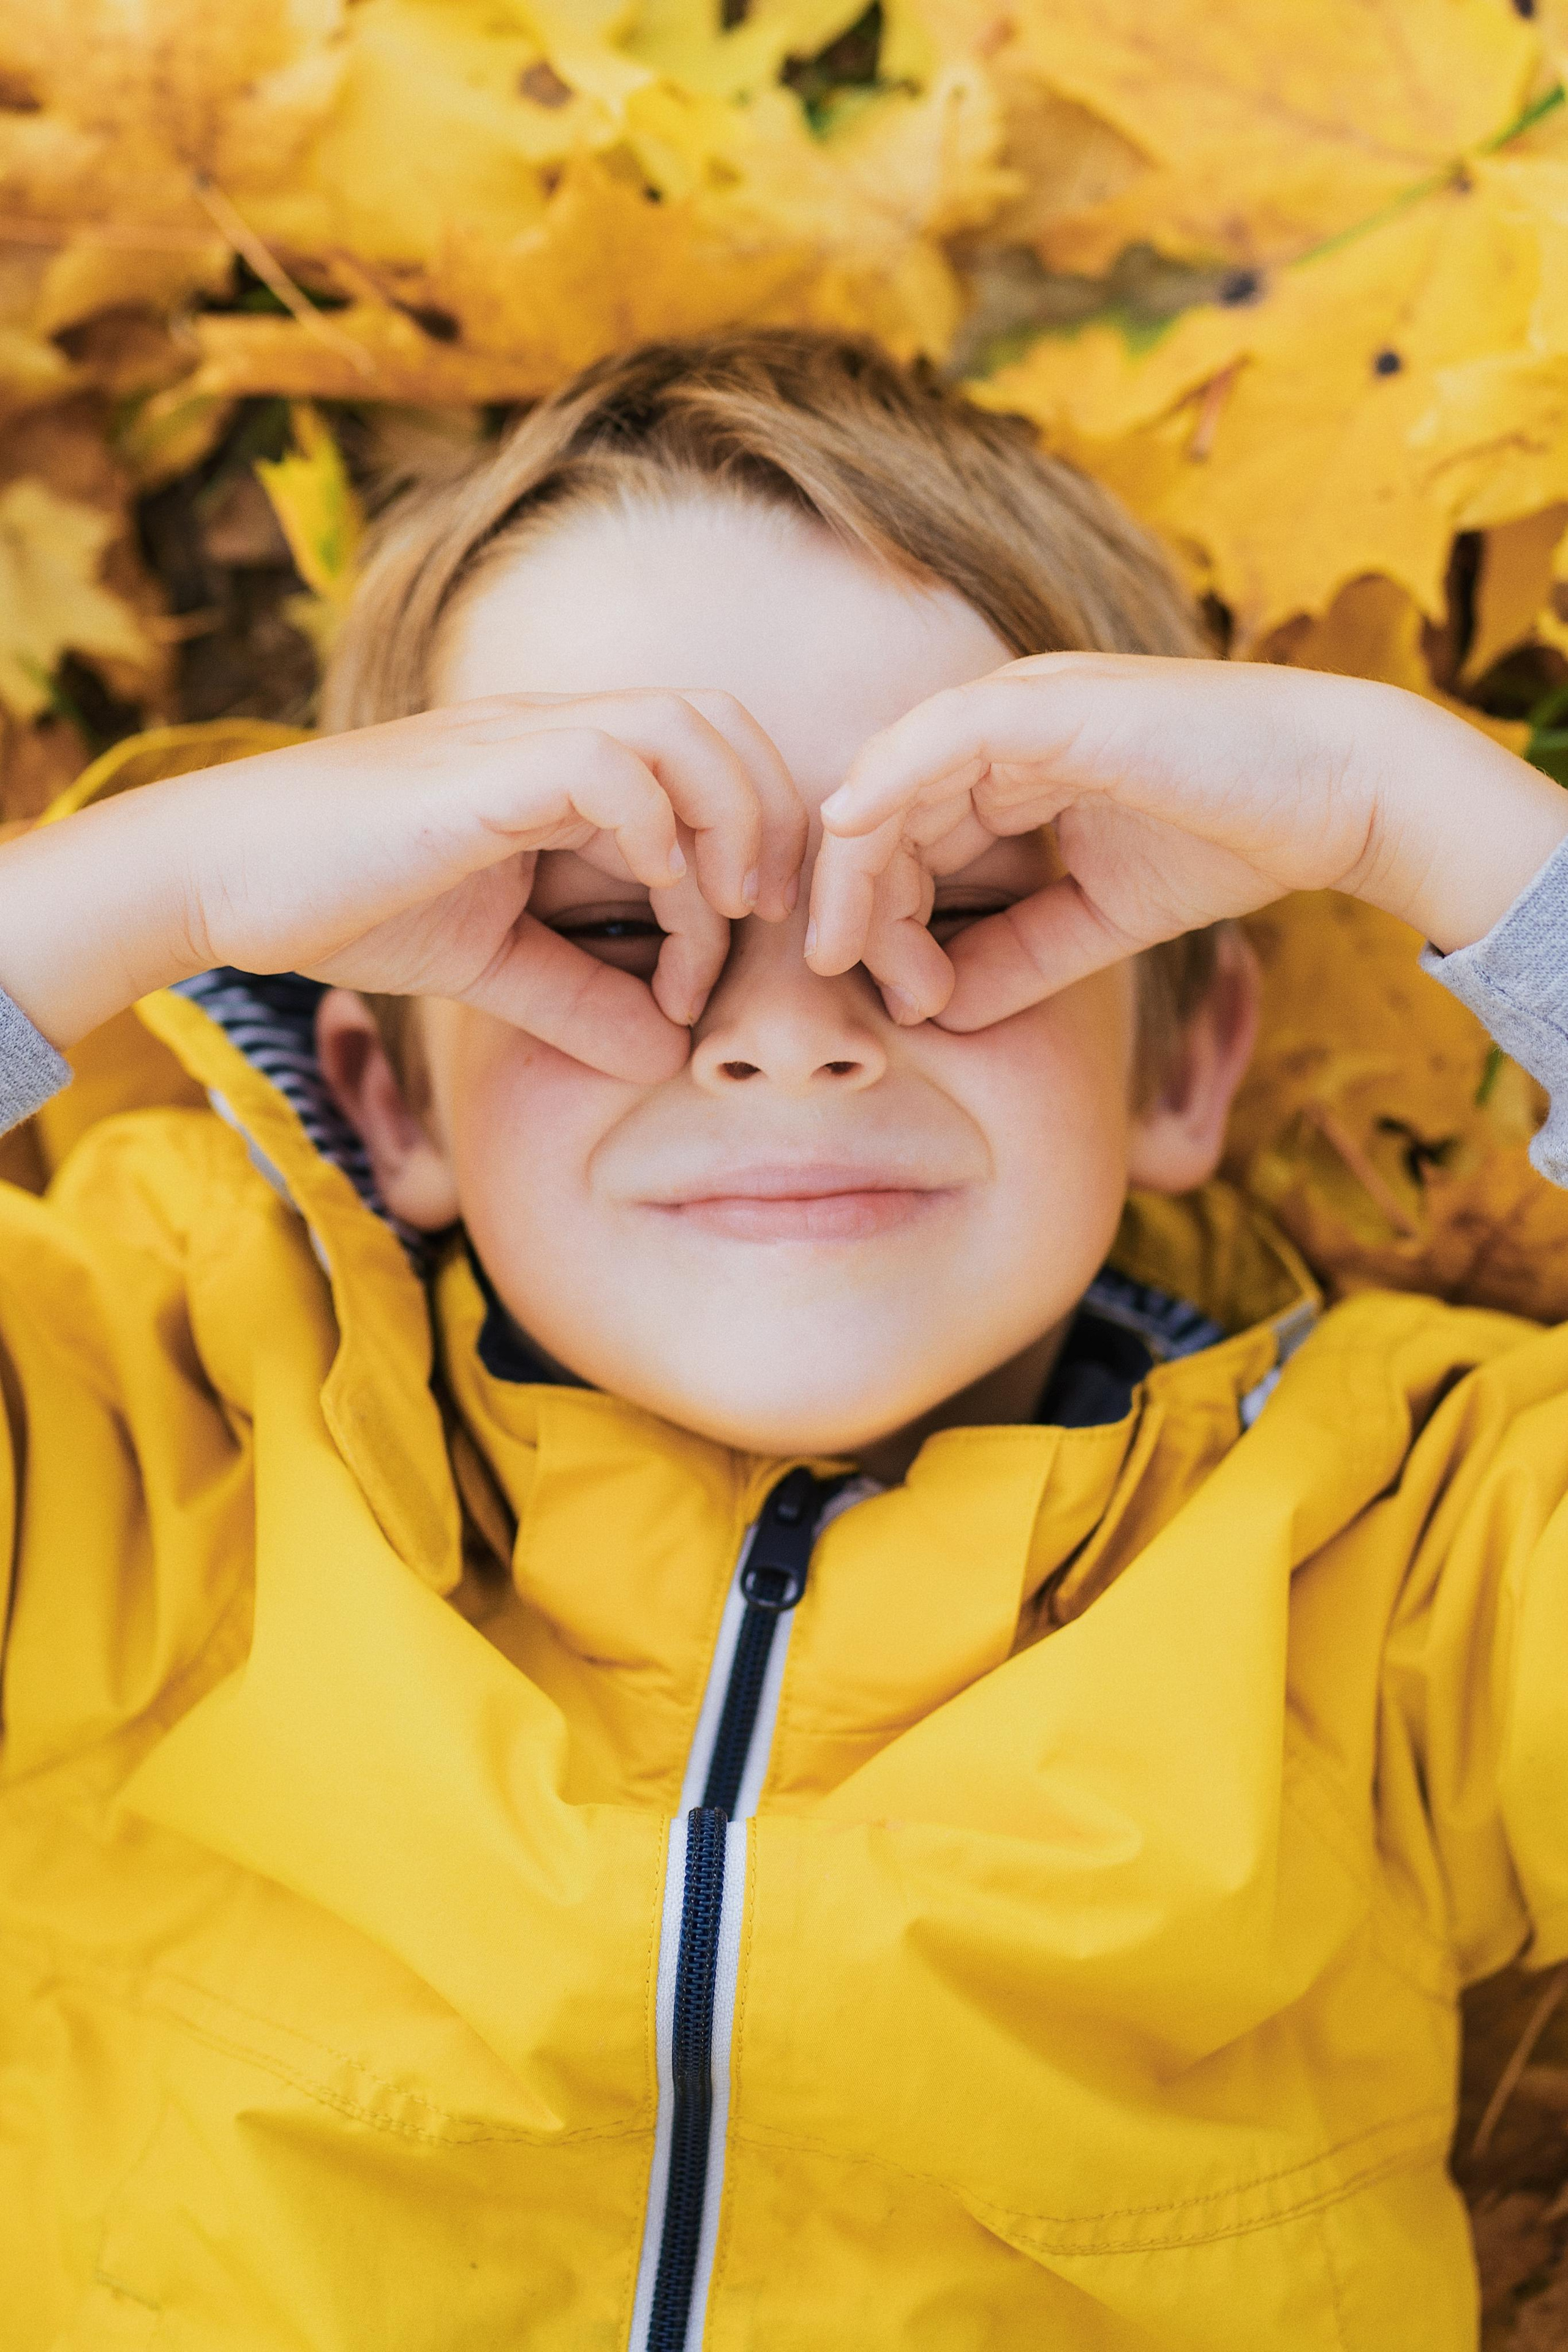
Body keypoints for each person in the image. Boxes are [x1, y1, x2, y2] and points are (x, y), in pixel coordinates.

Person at [3, 331, 1568, 2352]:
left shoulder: (1406, 1555)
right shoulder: (149, 1426)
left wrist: (1436, 820)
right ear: (390, 1098)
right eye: (602, 919)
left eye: (964, 906)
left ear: (1185, 1056)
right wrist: (159, 887)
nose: (792, 1024)